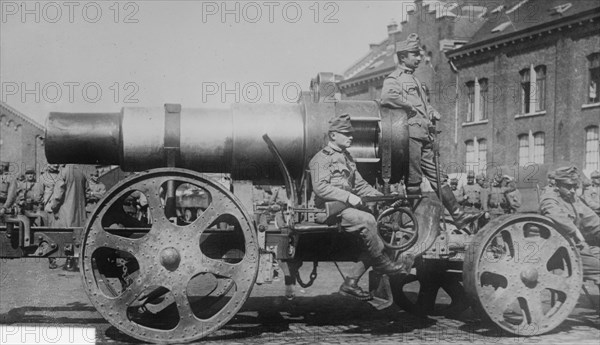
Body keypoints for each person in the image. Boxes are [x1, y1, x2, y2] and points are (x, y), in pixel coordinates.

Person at [380, 33, 480, 229]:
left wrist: (432, 111)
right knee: (414, 177)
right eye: (414, 54)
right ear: (402, 57)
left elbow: (424, 105)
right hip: (409, 135)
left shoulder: (415, 81)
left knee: (438, 176)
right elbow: (386, 97)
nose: (418, 58)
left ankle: (458, 214)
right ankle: (411, 222)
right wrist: (407, 105)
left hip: (424, 134)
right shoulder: (394, 79)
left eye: (419, 54)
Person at [309, 113, 410, 300]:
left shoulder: (347, 158)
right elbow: (320, 187)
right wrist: (349, 196)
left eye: (350, 133)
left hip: (345, 209)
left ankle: (351, 282)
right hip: (327, 211)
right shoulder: (320, 159)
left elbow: (361, 186)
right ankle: (382, 264)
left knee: (378, 234)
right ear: (333, 135)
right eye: (346, 133)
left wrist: (385, 198)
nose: (351, 136)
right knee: (367, 220)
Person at [539, 166, 600, 286]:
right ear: (557, 185)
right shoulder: (549, 197)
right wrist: (574, 230)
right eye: (568, 186)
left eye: (574, 186)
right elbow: (553, 212)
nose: (572, 190)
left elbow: (592, 220)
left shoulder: (572, 199)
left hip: (578, 247)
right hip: (561, 251)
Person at [46, 164, 87, 271]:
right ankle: (76, 261)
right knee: (77, 236)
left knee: (66, 236)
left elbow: (58, 194)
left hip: (66, 210)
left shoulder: (64, 172)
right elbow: (86, 192)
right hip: (79, 212)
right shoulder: (81, 172)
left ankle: (69, 262)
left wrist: (54, 207)